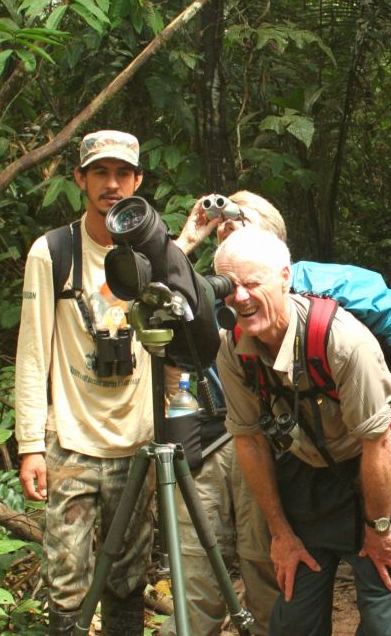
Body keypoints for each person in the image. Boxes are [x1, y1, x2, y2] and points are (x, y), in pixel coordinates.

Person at [214, 226, 391, 636]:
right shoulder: (233, 345)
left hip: (374, 471)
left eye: (253, 283)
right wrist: (280, 533)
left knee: (387, 624)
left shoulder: (342, 340)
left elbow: (376, 441)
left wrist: (379, 529)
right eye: (229, 284)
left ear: (285, 277)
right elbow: (249, 439)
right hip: (303, 469)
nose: (240, 297)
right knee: (294, 622)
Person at [14, 129, 155, 636]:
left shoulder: (152, 251)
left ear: (138, 180)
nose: (111, 184)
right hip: (71, 441)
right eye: (100, 172)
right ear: (80, 179)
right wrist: (31, 445)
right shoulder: (52, 252)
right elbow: (32, 354)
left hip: (136, 443)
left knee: (128, 578)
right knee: (67, 579)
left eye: (122, 173)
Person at [154, 191, 289, 636]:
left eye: (240, 223)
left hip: (263, 440)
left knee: (266, 568)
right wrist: (191, 236)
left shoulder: (284, 294)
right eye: (223, 229)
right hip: (201, 438)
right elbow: (137, 292)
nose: (227, 231)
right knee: (194, 572)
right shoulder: (196, 290)